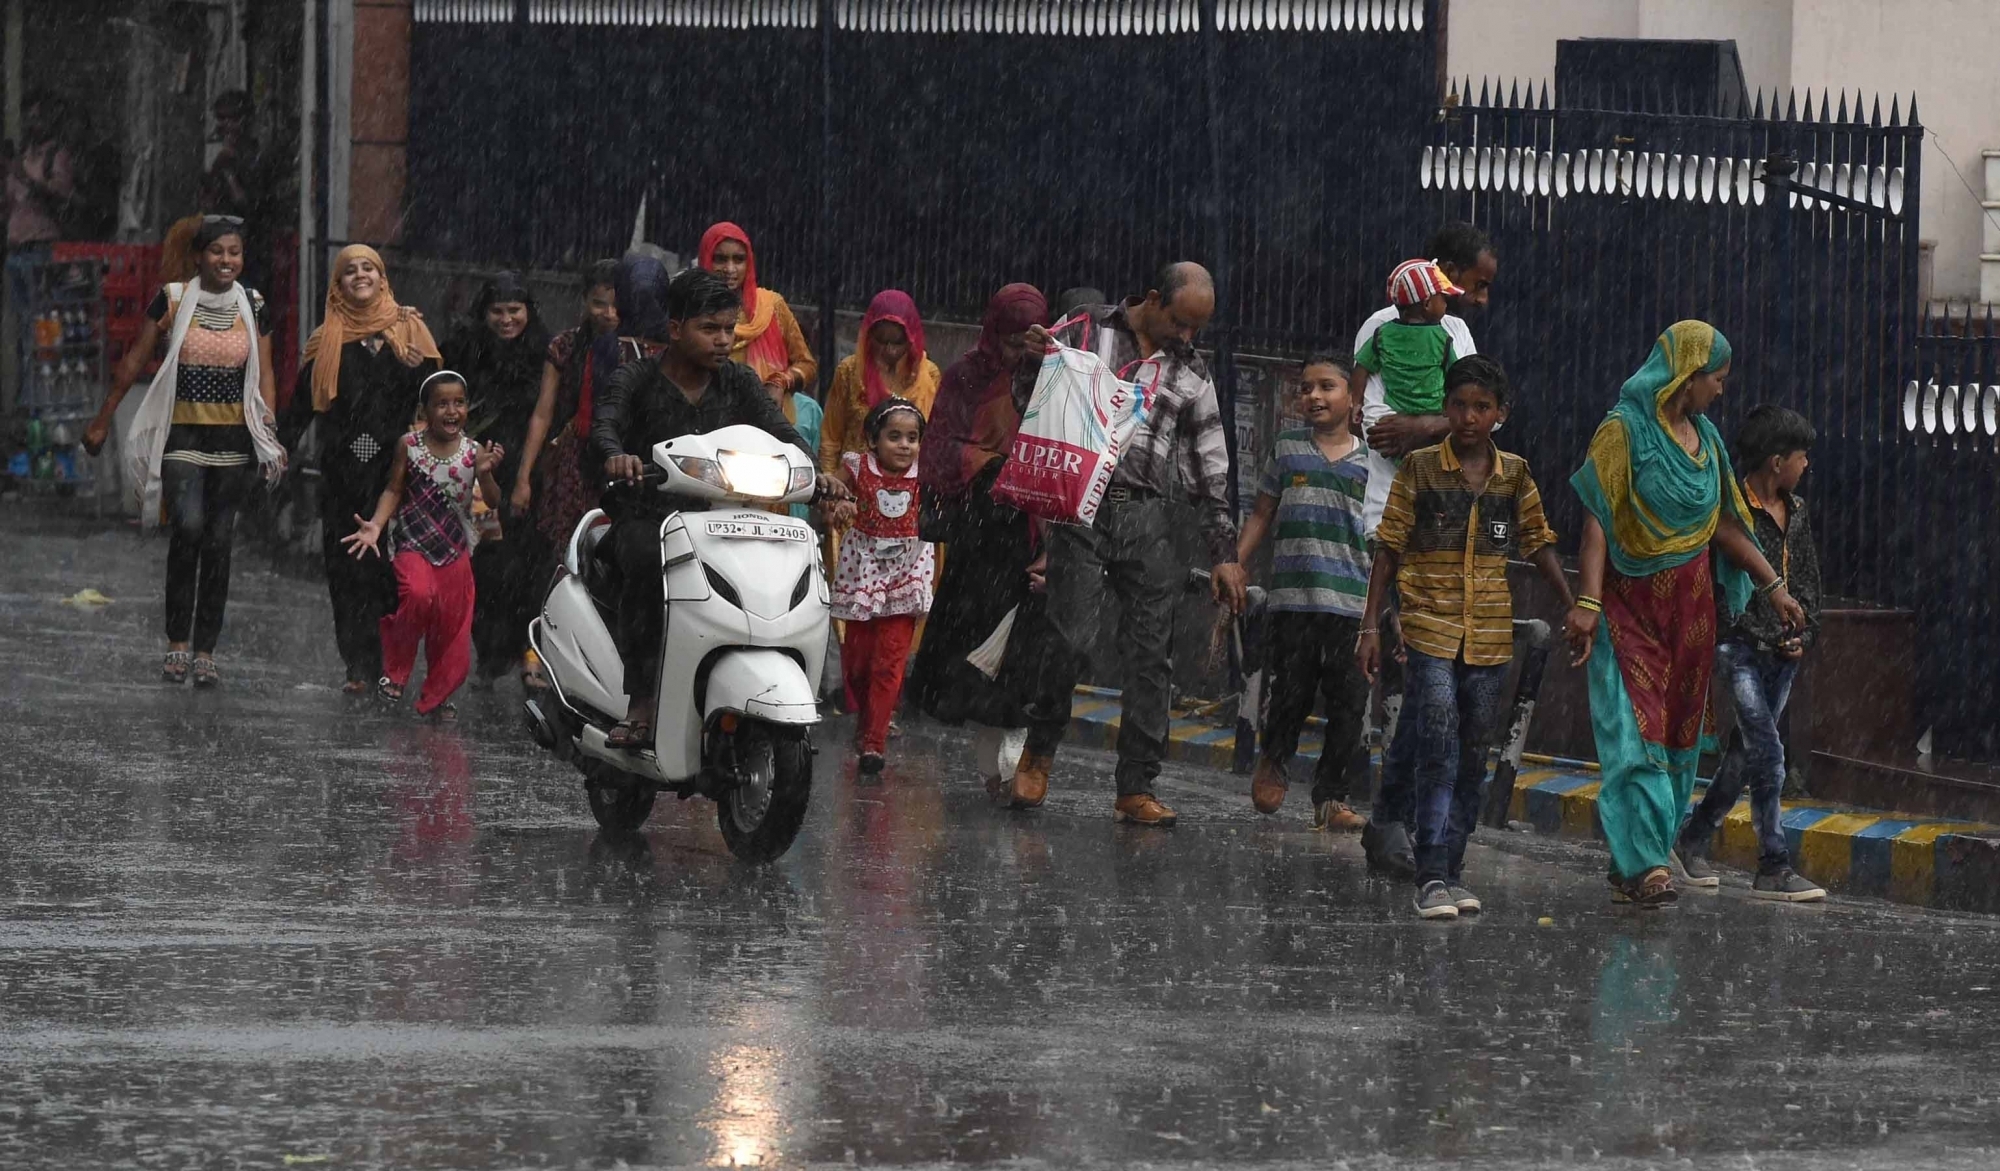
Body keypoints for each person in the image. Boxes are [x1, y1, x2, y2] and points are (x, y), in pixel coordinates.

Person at [1566, 321, 1805, 908]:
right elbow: (1598, 517)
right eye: (1716, 379)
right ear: (1686, 375)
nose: (1721, 391)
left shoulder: (1708, 441)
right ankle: (1647, 862)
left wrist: (1772, 586)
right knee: (1634, 735)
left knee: (1675, 737)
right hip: (1629, 607)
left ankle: (1641, 856)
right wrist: (1589, 601)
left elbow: (1724, 523)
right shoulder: (1624, 433)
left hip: (1691, 611)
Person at [1011, 262, 1248, 827]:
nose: (1187, 338)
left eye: (1198, 329)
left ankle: (1136, 785)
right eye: (1181, 323)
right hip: (1079, 506)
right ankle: (1039, 752)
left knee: (1151, 656)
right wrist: (1028, 361)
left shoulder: (1193, 372)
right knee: (1070, 637)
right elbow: (1030, 401)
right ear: (1151, 300)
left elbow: (1210, 467)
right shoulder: (1085, 331)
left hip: (1149, 516)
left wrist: (1223, 553)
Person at [1358, 355, 1579, 919]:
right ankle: (1430, 874)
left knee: (1472, 754)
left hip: (1488, 637)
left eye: (1482, 407)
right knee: (1439, 741)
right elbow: (1389, 546)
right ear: (1445, 408)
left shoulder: (1514, 476)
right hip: (1430, 626)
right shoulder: (1422, 469)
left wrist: (1575, 606)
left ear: (1501, 414)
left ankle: (1453, 870)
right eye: (1458, 405)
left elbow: (1537, 540)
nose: (1468, 417)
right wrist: (1371, 624)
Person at [589, 268, 846, 749]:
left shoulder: (738, 382)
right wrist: (616, 454)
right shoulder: (637, 377)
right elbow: (606, 424)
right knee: (647, 561)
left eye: (729, 329)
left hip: (721, 515)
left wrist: (815, 471)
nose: (724, 340)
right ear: (674, 329)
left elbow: (782, 431)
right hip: (649, 514)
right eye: (710, 329)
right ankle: (642, 699)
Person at [81, 216, 283, 686]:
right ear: (198, 257)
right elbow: (135, 358)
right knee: (188, 527)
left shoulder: (254, 305)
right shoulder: (171, 299)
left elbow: (266, 372)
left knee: (219, 540)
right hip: (183, 440)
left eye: (234, 253)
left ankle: (205, 650)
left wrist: (269, 431)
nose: (226, 261)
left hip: (234, 443)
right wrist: (103, 416)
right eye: (217, 252)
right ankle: (177, 641)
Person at [1356, 222, 1499, 874]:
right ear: (1440, 273)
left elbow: (1475, 416)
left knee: (1438, 692)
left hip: (1451, 534)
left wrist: (1424, 424)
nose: (1478, 299)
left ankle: (1405, 823)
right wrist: (1416, 429)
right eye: (1473, 284)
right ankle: (1413, 827)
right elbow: (1371, 423)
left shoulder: (1456, 336)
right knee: (1425, 683)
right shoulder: (1381, 330)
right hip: (1396, 522)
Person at [1675, 404, 1827, 902]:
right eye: (1801, 457)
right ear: (1776, 461)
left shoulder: (1797, 512)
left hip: (1781, 653)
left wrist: (1802, 636)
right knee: (1767, 749)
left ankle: (1693, 838)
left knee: (1743, 757)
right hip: (1736, 644)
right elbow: (1721, 587)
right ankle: (1773, 864)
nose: (1806, 466)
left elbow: (1807, 583)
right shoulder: (1730, 508)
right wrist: (1757, 625)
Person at [280, 245, 443, 693]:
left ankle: (395, 662)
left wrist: (415, 371)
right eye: (349, 271)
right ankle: (357, 664)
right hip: (342, 472)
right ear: (338, 283)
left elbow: (439, 398)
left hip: (396, 472)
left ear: (382, 276)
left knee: (393, 568)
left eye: (367, 267)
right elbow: (300, 407)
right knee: (346, 567)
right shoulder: (325, 338)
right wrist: (277, 449)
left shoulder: (411, 330)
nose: (359, 276)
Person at [904, 283, 1052, 739]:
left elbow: (1063, 452)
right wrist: (988, 464)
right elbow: (941, 446)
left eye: (1021, 343)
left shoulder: (1051, 378)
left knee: (1014, 649)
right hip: (980, 524)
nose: (1013, 354)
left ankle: (1006, 756)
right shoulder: (966, 375)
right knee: (967, 635)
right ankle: (970, 720)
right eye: (1008, 343)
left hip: (1028, 525)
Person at [1234, 353, 1371, 831]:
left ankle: (1331, 797)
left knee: (1348, 705)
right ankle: (1273, 759)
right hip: (1292, 601)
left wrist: (1385, 608)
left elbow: (1386, 540)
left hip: (1353, 606)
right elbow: (1261, 515)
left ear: (1353, 398)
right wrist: (1237, 563)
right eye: (1306, 388)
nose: (1315, 396)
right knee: (1289, 692)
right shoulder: (1287, 448)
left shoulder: (1373, 463)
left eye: (1327, 387)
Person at [342, 371, 503, 720]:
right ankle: (396, 672)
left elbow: (491, 501)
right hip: (412, 541)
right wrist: (375, 526)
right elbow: (395, 489)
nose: (451, 411)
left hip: (455, 547)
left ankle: (439, 694)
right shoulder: (409, 446)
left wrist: (486, 472)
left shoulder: (474, 452)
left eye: (458, 403)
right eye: (441, 403)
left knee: (450, 623)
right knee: (417, 595)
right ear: (424, 410)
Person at [444, 271, 550, 686]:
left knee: (529, 566)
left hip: (528, 477)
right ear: (483, 312)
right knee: (488, 564)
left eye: (514, 311)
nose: (506, 320)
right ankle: (490, 655)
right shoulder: (465, 348)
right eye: (497, 311)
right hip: (478, 477)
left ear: (528, 312)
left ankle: (529, 656)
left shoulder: (544, 351)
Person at [830, 398, 935, 774]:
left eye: (912, 437)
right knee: (858, 663)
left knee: (889, 662)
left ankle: (874, 743)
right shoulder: (857, 467)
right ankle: (866, 720)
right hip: (863, 571)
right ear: (873, 440)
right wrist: (838, 504)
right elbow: (832, 494)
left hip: (907, 571)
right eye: (894, 437)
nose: (905, 445)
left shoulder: (928, 472)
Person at [515, 259, 621, 568]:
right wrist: (523, 477)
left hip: (620, 459)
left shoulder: (636, 348)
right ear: (584, 300)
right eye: (599, 304)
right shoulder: (564, 346)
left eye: (617, 304)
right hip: (572, 459)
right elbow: (542, 414)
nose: (609, 314)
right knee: (569, 549)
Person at [819, 289, 941, 474]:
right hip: (853, 486)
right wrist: (829, 483)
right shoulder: (849, 371)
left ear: (911, 339)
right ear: (869, 336)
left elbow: (935, 439)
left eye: (897, 342)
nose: (889, 350)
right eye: (881, 341)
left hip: (907, 488)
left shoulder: (928, 376)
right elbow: (831, 436)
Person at [698, 221, 817, 408]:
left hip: (767, 424)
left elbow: (806, 364)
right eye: (720, 259)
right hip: (708, 420)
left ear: (749, 262)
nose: (730, 269)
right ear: (705, 259)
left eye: (738, 260)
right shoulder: (692, 309)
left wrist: (779, 382)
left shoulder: (771, 307)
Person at [1352, 259, 1463, 425]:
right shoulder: (1442, 337)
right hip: (1435, 415)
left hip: (1394, 414)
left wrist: (1356, 403)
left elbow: (1361, 368)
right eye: (1443, 298)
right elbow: (1458, 374)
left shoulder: (1382, 334)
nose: (1446, 304)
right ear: (1427, 304)